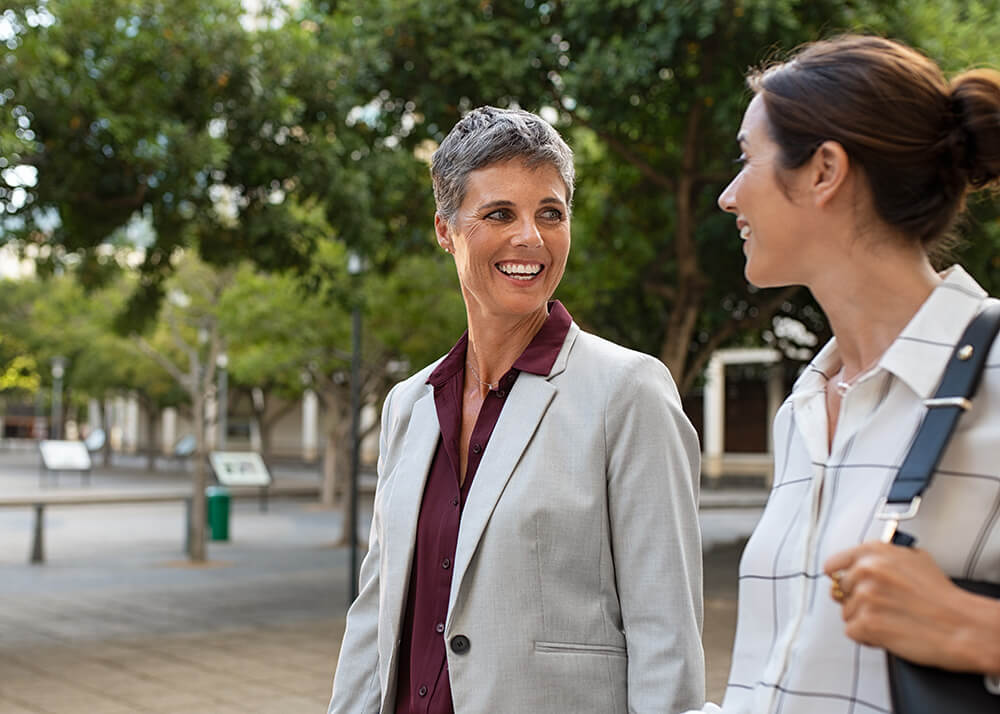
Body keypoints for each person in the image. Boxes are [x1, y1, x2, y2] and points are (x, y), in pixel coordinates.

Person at [328, 106, 705, 714]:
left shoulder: (629, 391)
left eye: (550, 213)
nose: (530, 237)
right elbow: (376, 613)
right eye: (500, 213)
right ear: (445, 231)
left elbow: (667, 636)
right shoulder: (410, 405)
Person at [686, 34, 1000, 714]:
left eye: (747, 160)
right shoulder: (802, 407)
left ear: (824, 170)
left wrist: (977, 631)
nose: (728, 196)